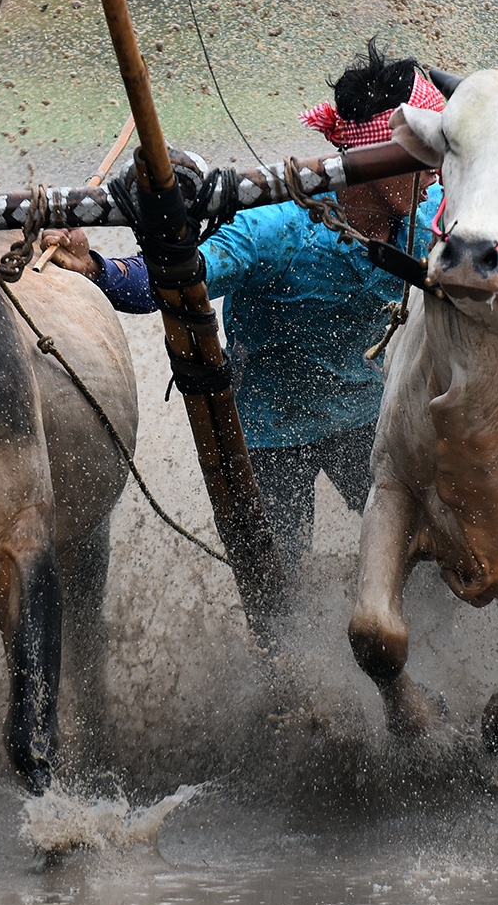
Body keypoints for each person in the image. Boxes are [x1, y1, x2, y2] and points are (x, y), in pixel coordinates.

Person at [41, 45, 447, 578]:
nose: (438, 172)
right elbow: (172, 281)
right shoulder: (275, 230)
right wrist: (94, 267)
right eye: (424, 157)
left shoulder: (431, 222)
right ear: (376, 161)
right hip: (268, 435)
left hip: (364, 419)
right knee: (276, 592)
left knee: (425, 561)